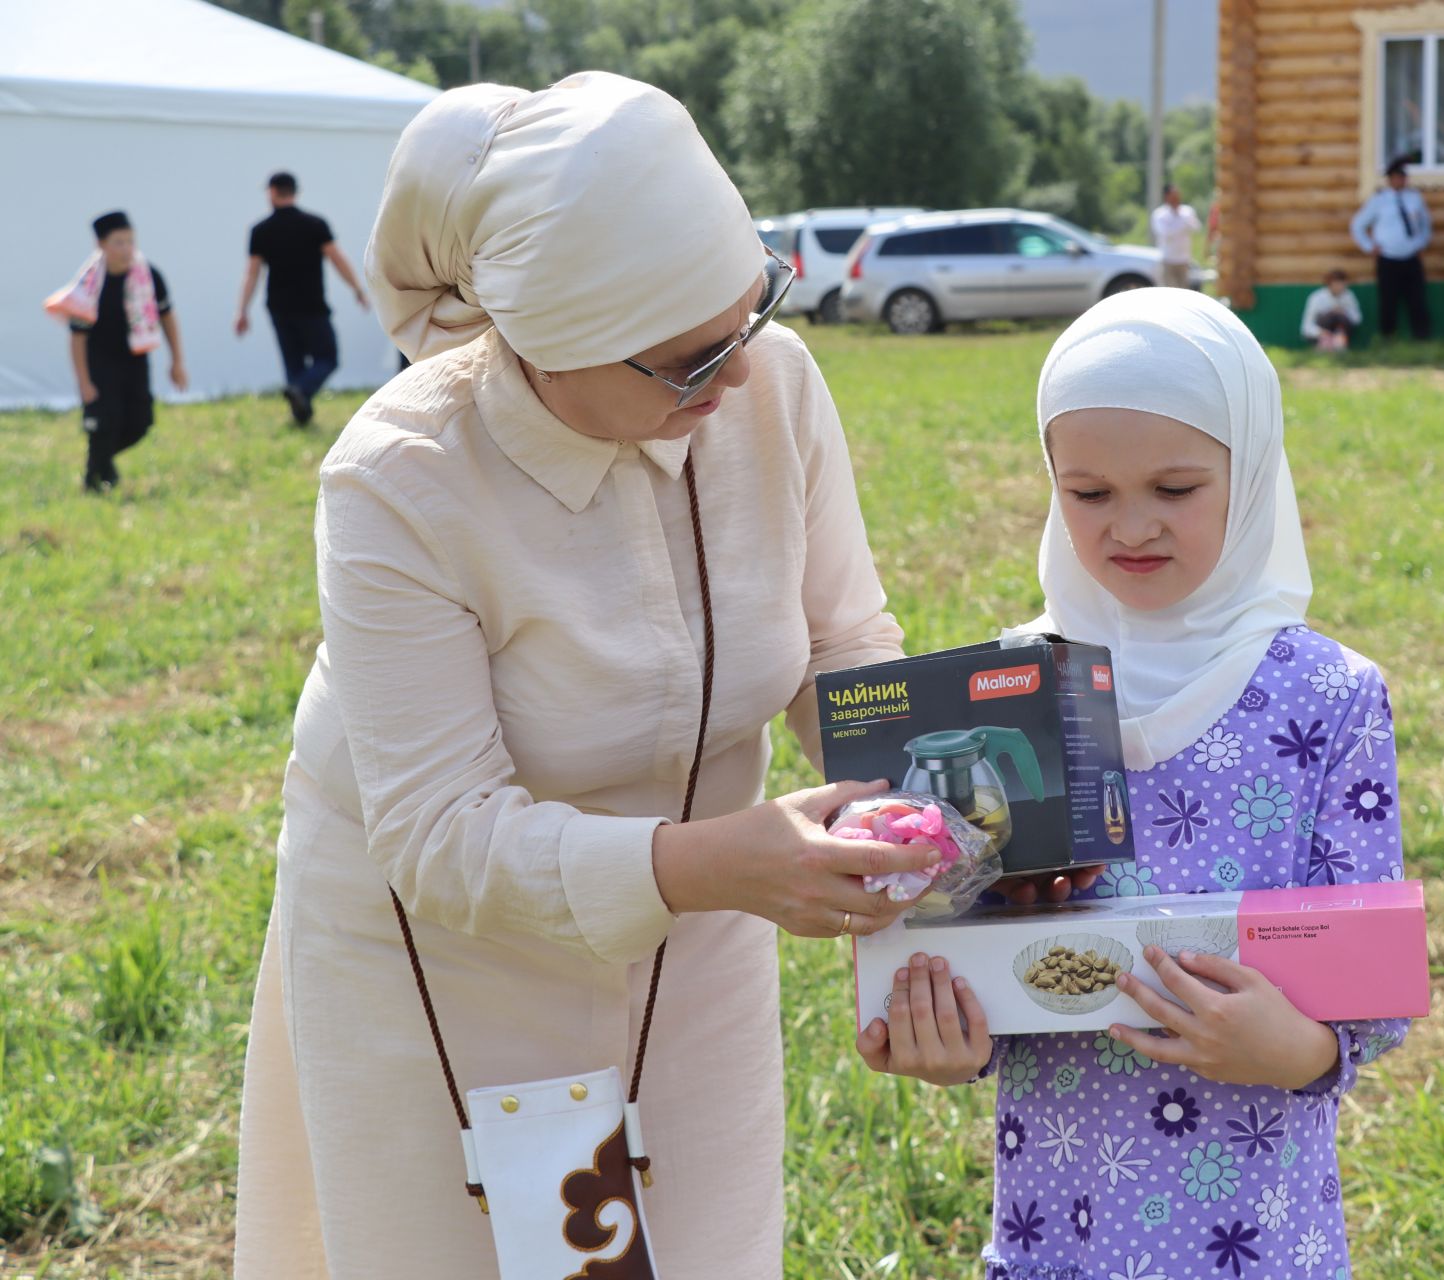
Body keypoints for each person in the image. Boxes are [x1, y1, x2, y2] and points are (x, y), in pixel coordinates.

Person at [232, 74, 941, 1279]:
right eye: (685, 361)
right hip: (441, 960)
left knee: (706, 1241)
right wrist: (719, 858)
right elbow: (440, 834)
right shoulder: (398, 479)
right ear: (541, 344)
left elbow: (841, 645)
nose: (736, 380)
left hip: (704, 924)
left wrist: (935, 798)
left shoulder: (773, 388)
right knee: (459, 1248)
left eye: (752, 310)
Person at [857, 288, 1410, 1279]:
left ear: (1249, 474)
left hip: (1251, 1233)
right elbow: (974, 936)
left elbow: (1369, 983)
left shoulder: (1328, 697)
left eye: (1176, 486)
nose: (1133, 526)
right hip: (1056, 1222)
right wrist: (946, 1024)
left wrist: (1292, 1048)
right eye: (1091, 492)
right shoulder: (1019, 689)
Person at [43, 211, 187, 493]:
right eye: (118, 242)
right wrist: (83, 381)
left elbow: (167, 317)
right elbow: (78, 337)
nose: (126, 249)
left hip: (135, 359)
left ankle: (100, 466)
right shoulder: (89, 285)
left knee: (140, 422)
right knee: (102, 424)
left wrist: (177, 361)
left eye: (130, 241)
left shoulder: (149, 277)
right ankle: (95, 481)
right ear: (101, 245)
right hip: (99, 364)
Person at [235, 171, 369, 426]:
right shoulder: (315, 224)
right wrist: (357, 289)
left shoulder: (261, 230)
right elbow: (337, 259)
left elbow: (251, 274)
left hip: (279, 308)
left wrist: (242, 310)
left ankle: (299, 402)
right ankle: (301, 403)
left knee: (293, 364)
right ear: (295, 192)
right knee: (327, 358)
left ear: (272, 192)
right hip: (312, 305)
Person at [1349, 157, 1432, 340]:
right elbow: (1358, 225)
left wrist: (1422, 243)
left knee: (1416, 299)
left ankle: (1422, 337)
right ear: (1389, 179)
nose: (1400, 180)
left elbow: (1425, 224)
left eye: (1403, 176)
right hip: (1388, 258)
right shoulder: (1379, 200)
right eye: (1396, 176)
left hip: (1411, 256)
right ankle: (1388, 338)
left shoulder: (1414, 198)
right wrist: (1369, 246)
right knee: (1388, 301)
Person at [1151, 183, 1203, 288]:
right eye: (1173, 195)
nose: (1176, 198)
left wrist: (1181, 223)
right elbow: (1164, 233)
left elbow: (1197, 227)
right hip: (1168, 259)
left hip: (1184, 259)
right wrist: (1183, 225)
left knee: (1184, 291)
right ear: (1166, 196)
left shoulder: (1187, 211)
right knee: (1169, 292)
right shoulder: (1160, 214)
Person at [1299, 267, 1362, 351]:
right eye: (1336, 284)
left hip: (1341, 333)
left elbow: (1357, 319)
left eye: (1342, 284)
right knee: (1330, 316)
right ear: (1329, 284)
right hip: (1321, 334)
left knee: (1340, 317)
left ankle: (1339, 345)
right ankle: (1324, 346)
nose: (1339, 287)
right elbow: (1306, 327)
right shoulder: (1316, 298)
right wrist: (1321, 333)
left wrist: (1344, 312)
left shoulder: (1348, 296)